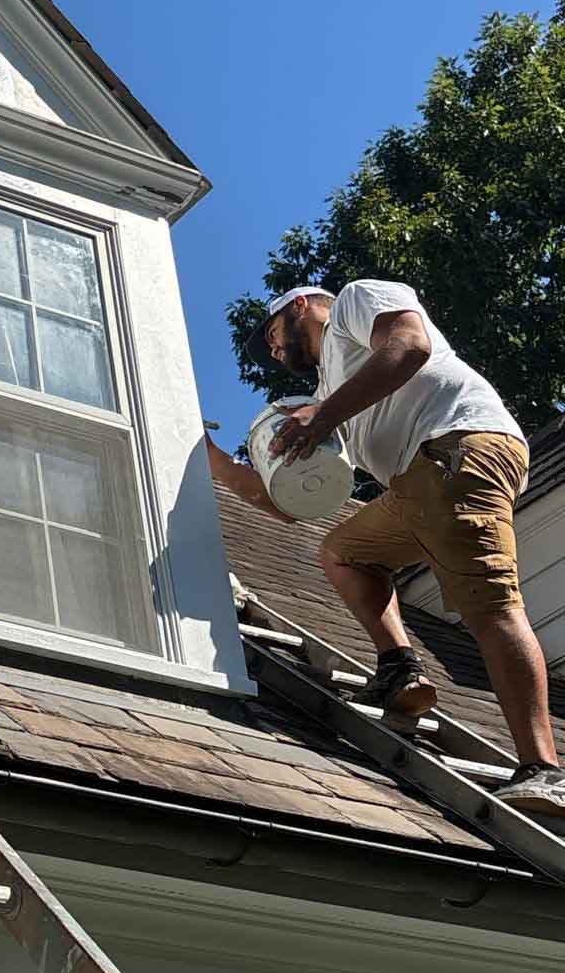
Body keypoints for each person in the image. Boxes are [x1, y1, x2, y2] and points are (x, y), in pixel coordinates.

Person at [205, 279, 565, 820]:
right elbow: (289, 504)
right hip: (417, 482)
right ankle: (400, 670)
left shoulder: (354, 301)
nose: (273, 350)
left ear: (300, 305)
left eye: (271, 334)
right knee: (344, 552)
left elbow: (410, 345)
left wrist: (323, 416)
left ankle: (544, 771)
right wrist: (214, 459)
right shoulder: (337, 390)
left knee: (490, 607)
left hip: (456, 446)